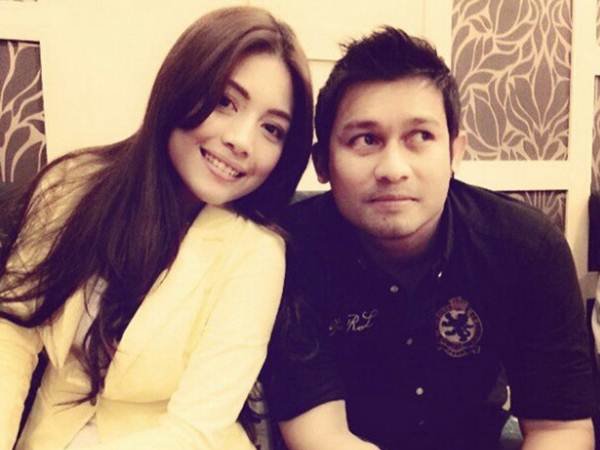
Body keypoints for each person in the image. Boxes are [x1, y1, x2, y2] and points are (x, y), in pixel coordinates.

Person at [261, 27, 596, 450]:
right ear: (322, 163)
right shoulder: (287, 251)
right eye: (366, 140)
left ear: (456, 152)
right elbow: (322, 437)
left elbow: (560, 430)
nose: (393, 169)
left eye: (420, 137)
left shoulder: (527, 248)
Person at [0, 6, 312, 450]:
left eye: (272, 128)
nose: (242, 141)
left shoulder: (257, 252)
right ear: (181, 85)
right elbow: (13, 332)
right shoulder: (71, 186)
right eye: (225, 101)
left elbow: (197, 427)